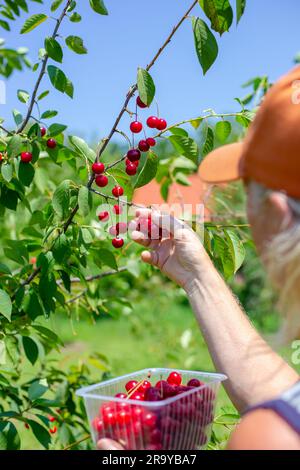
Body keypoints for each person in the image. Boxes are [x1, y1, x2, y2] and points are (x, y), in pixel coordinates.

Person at [99, 67, 300, 450]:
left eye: (247, 191)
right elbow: (287, 396)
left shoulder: (272, 437)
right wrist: (197, 275)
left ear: (278, 214)